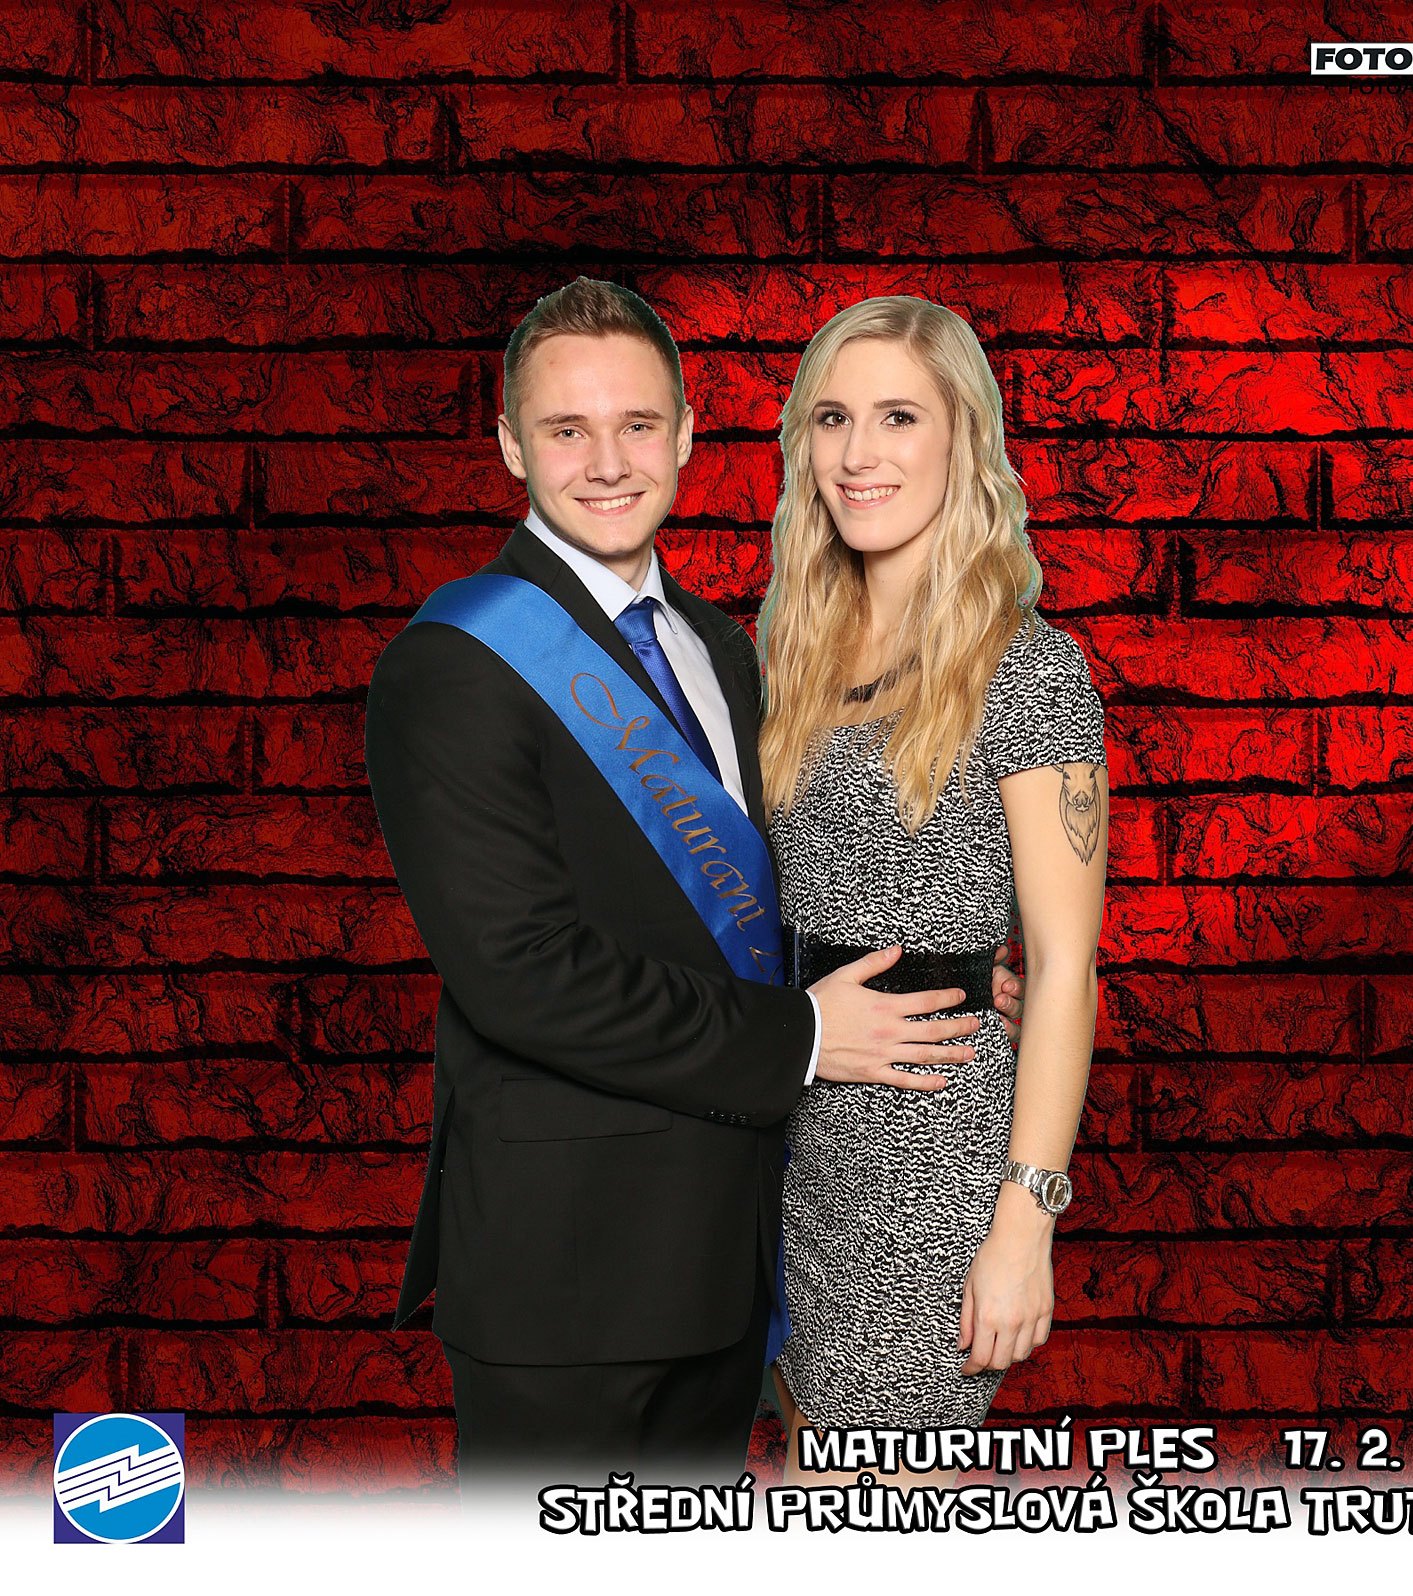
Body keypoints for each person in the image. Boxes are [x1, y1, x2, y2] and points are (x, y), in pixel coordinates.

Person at [363, 277, 1022, 1490]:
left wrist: (949, 976)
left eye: (637, 425)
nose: (608, 463)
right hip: (566, 1276)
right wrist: (809, 1036)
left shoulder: (726, 647)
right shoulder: (455, 664)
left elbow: (764, 902)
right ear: (510, 443)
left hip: (730, 1256)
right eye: (567, 430)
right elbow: (522, 975)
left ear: (684, 436)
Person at [758, 296, 1109, 1482]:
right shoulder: (789, 651)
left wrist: (1025, 1224)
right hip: (790, 1144)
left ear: (964, 438)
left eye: (898, 417)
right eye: (833, 419)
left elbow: (1062, 968)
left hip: (930, 1164)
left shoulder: (1029, 670)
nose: (858, 453)